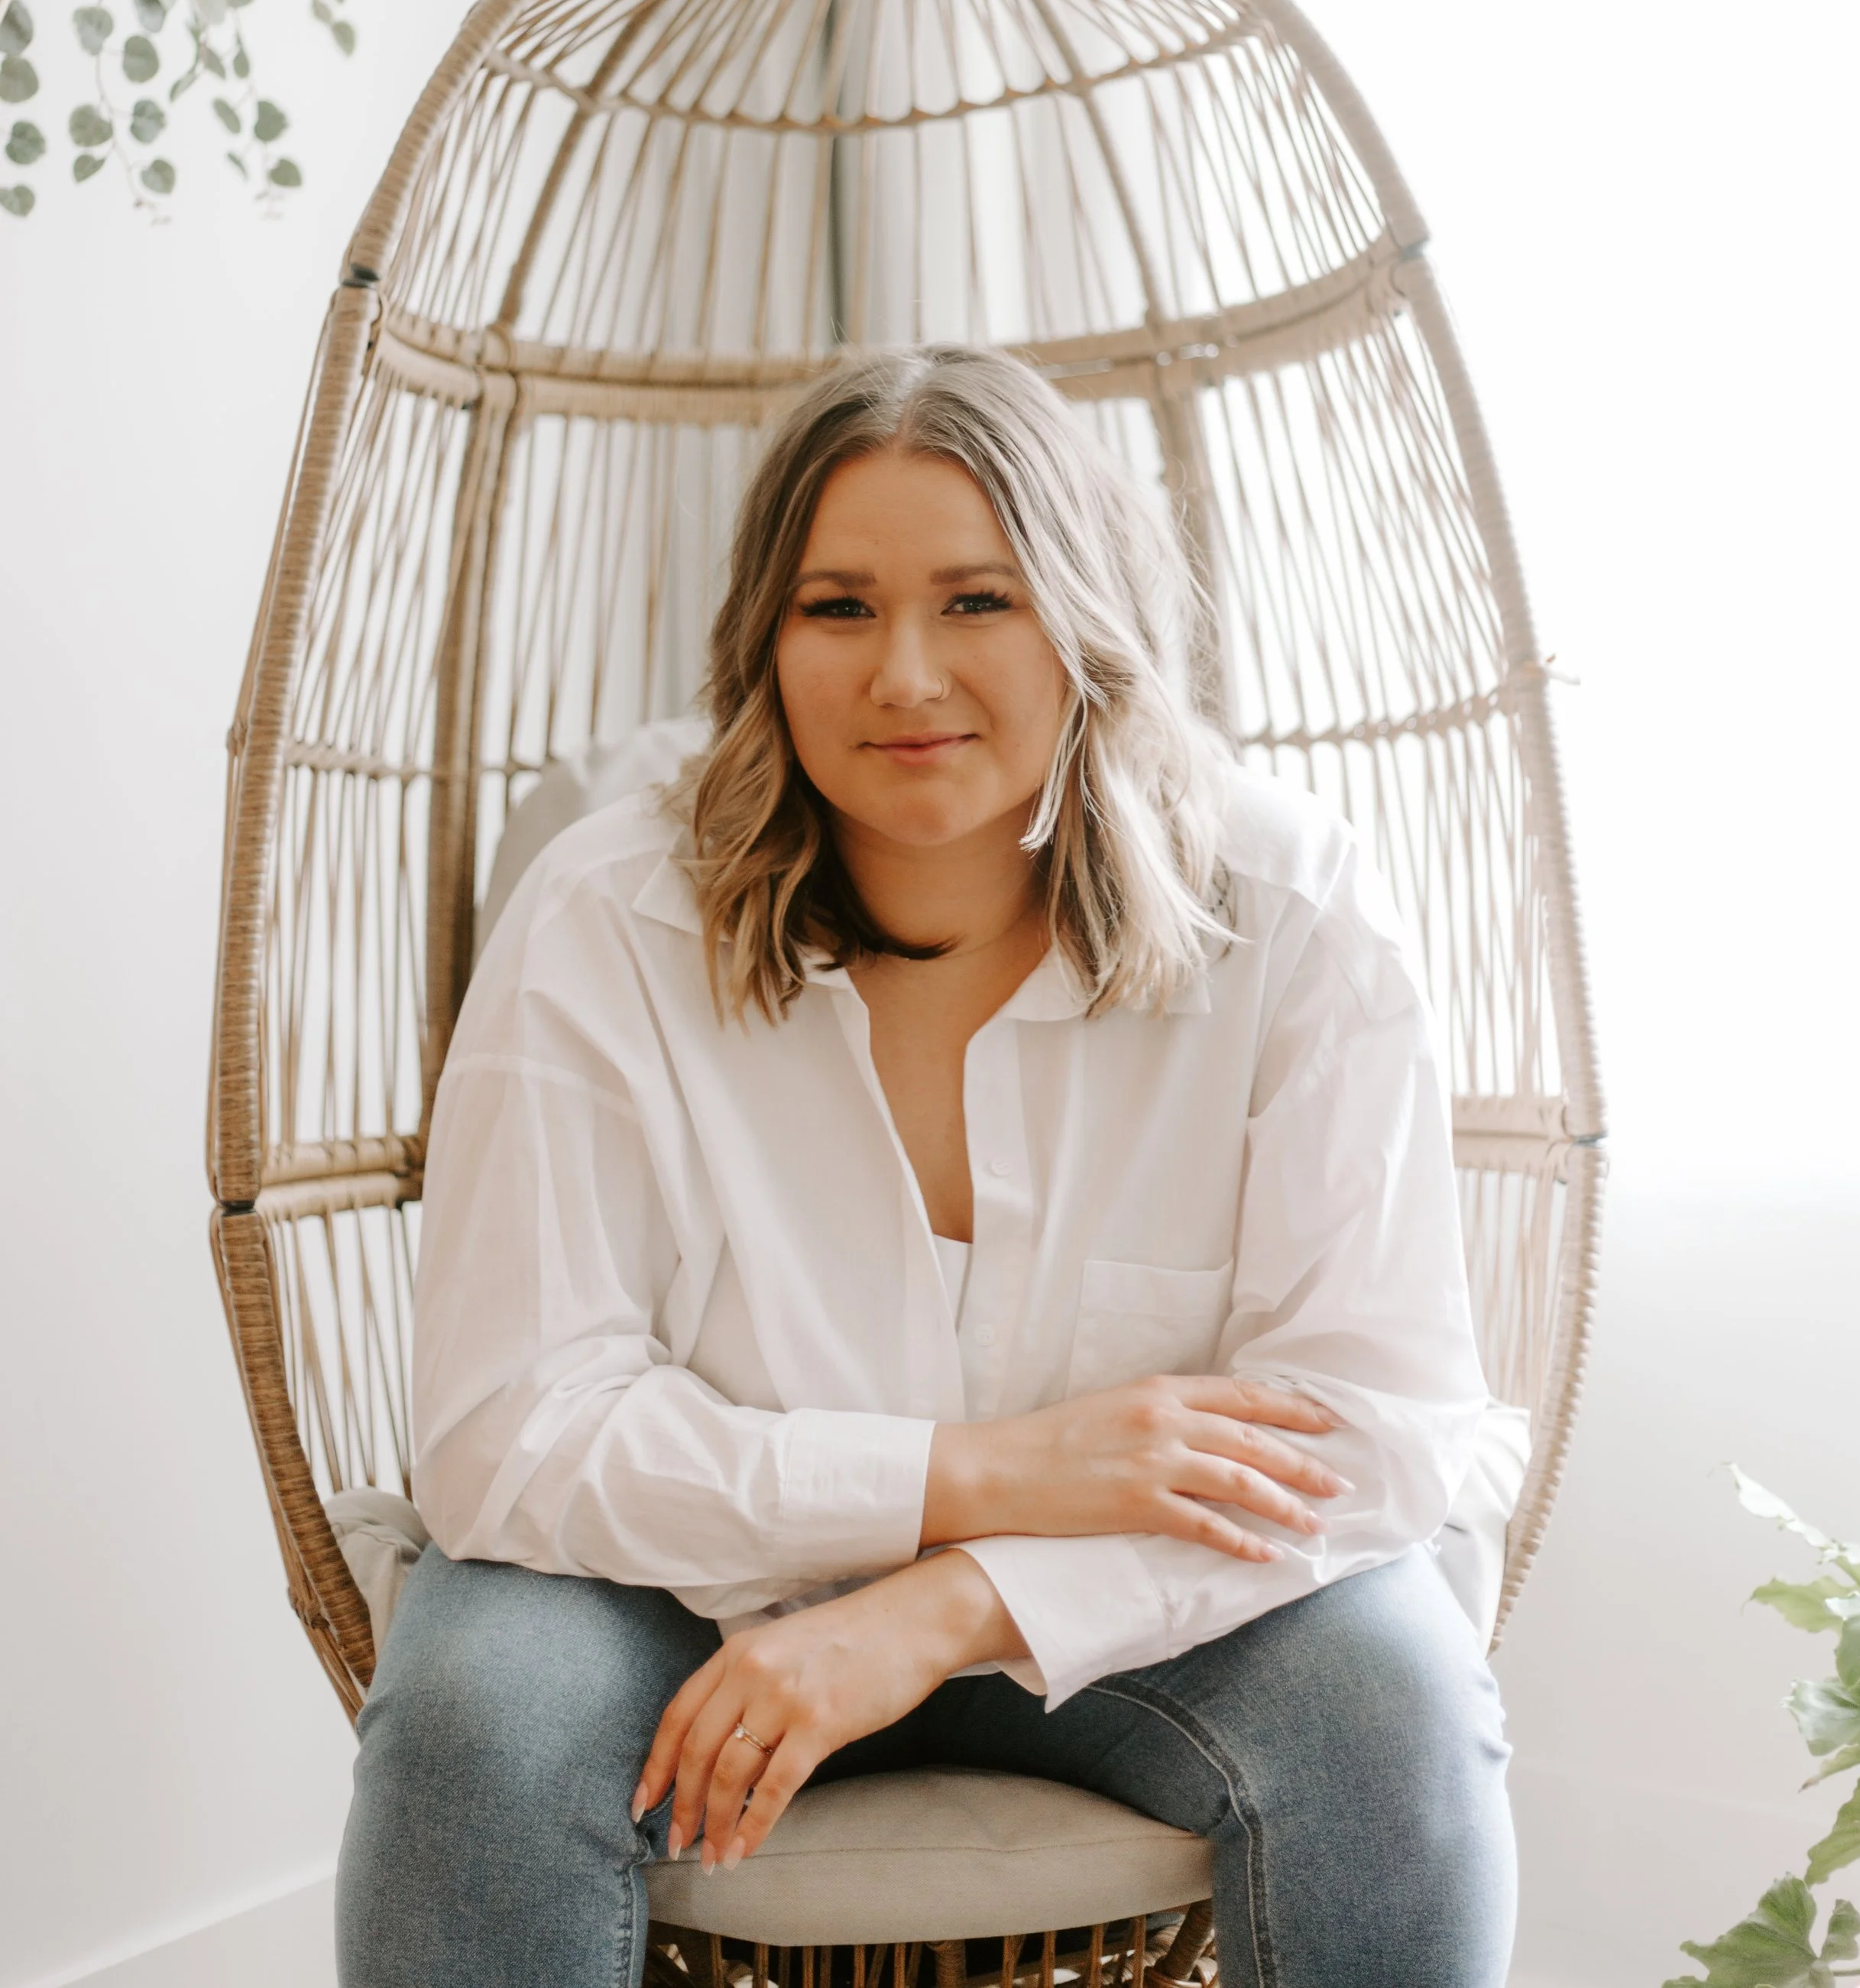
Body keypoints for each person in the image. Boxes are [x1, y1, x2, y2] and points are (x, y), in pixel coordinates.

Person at [335, 346, 1515, 1988]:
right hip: (668, 1595)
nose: (902, 674)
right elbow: (506, 1438)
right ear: (762, 639)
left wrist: (933, 1605)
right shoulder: (603, 921)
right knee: (475, 1708)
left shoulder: (1290, 912)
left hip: (1128, 1613)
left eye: (976, 602)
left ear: (1086, 622)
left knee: (1388, 1695)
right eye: (835, 608)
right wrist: (987, 1471)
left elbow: (1369, 1430)